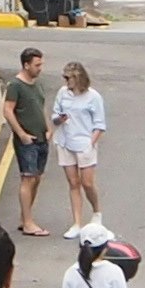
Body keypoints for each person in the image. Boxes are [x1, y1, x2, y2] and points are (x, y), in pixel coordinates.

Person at [0, 46, 56, 233]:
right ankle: (29, 223)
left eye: (41, 64)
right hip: (27, 140)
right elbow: (8, 110)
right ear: (26, 65)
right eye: (37, 65)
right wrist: (21, 134)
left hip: (41, 138)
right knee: (28, 178)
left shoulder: (37, 84)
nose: (40, 68)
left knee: (37, 178)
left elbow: (41, 107)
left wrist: (48, 128)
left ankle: (26, 218)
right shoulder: (15, 86)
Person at [48, 61, 108, 222]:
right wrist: (59, 119)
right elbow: (54, 116)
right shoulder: (62, 93)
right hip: (65, 142)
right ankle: (77, 222)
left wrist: (91, 144)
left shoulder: (93, 97)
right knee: (73, 183)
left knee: (87, 183)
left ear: (78, 78)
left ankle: (96, 212)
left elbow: (100, 124)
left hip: (84, 144)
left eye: (68, 78)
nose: (65, 81)